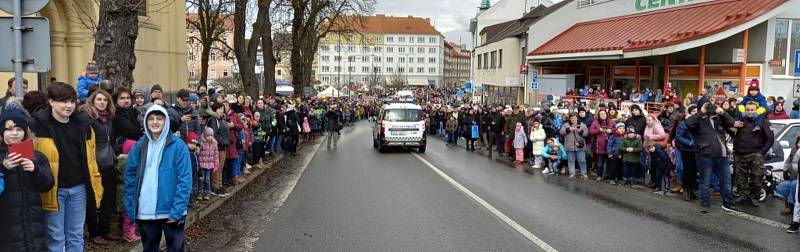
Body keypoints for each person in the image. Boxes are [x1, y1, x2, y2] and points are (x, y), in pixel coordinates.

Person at [30, 82, 103, 251]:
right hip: (52, 190)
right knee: (55, 237)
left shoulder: (83, 125)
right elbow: (26, 156)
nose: (69, 106)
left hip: (79, 189)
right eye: (64, 101)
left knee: (76, 235)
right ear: (51, 101)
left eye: (72, 101)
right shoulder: (35, 125)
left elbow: (91, 159)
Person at [124, 105, 192, 252]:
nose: (155, 122)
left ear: (166, 121)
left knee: (176, 249)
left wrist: (178, 209)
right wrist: (131, 207)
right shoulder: (139, 146)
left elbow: (185, 179)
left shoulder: (178, 145)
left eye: (159, 119)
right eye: (151, 119)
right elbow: (130, 177)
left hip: (171, 210)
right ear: (146, 122)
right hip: (145, 210)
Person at [0, 105, 55, 252]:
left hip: (33, 221)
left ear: (25, 132)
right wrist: (3, 168)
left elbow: (48, 185)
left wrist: (35, 170)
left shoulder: (37, 156)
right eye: (9, 130)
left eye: (19, 129)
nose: (14, 133)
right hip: (7, 224)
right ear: (2, 132)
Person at [80, 89, 118, 244]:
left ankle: (105, 230)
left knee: (109, 197)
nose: (102, 102)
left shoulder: (108, 118)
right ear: (92, 101)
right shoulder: (86, 118)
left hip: (108, 161)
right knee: (92, 199)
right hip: (92, 163)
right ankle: (94, 233)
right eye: (99, 99)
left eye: (105, 100)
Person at [685, 102, 738, 213]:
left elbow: (732, 122)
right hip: (705, 156)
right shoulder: (698, 119)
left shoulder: (718, 118)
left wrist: (723, 112)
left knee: (726, 182)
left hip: (722, 155)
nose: (711, 109)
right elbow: (688, 123)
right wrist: (702, 111)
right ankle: (705, 204)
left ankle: (728, 203)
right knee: (705, 181)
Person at [731, 102, 774, 207]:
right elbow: (732, 133)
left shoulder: (763, 121)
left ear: (756, 110)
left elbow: (770, 139)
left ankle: (755, 198)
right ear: (745, 110)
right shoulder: (740, 121)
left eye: (752, 110)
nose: (750, 112)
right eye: (748, 110)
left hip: (755, 154)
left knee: (757, 177)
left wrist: (761, 152)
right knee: (740, 177)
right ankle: (742, 196)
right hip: (739, 154)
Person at [676, 105, 699, 201]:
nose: (695, 112)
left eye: (696, 111)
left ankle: (693, 189)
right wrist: (689, 143)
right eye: (693, 111)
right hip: (687, 150)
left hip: (698, 150)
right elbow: (679, 137)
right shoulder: (683, 124)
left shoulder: (699, 122)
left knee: (695, 171)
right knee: (687, 170)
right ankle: (686, 190)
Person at [560, 113, 589, 180]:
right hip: (569, 146)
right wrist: (569, 129)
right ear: (569, 119)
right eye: (572, 118)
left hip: (580, 146)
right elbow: (561, 132)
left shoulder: (582, 125)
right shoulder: (565, 125)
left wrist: (580, 131)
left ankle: (584, 174)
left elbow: (586, 133)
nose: (573, 119)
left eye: (575, 118)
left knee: (582, 160)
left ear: (577, 118)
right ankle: (572, 173)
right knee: (571, 160)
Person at [198, 127, 218, 201]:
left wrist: (216, 164)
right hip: (202, 164)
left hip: (209, 165)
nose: (209, 137)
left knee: (207, 179)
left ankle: (208, 192)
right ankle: (200, 191)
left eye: (211, 136)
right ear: (204, 136)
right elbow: (198, 152)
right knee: (201, 179)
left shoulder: (214, 143)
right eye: (208, 136)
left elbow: (216, 155)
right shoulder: (202, 143)